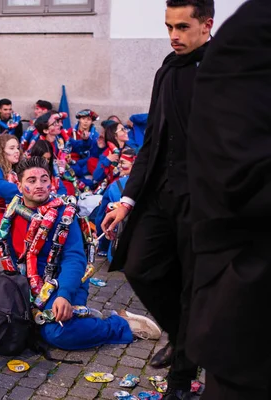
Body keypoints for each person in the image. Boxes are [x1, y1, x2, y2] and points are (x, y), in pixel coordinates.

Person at [101, 1, 214, 398]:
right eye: (169, 26)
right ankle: (183, 336)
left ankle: (181, 380)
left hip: (202, 203)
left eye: (182, 26)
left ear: (206, 25)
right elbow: (150, 141)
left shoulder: (226, 71)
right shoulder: (166, 69)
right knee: (139, 266)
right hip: (158, 195)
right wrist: (127, 200)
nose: (173, 35)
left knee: (192, 287)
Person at [184, 0, 270, 398]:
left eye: (182, 26)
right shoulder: (255, 33)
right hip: (252, 305)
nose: (173, 36)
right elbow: (235, 174)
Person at [2, 157, 160, 350]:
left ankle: (119, 324)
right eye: (32, 181)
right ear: (19, 186)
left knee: (58, 333)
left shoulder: (64, 215)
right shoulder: (13, 212)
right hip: (26, 284)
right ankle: (82, 317)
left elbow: (74, 259)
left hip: (63, 282)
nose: (40, 185)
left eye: (44, 179)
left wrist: (65, 295)